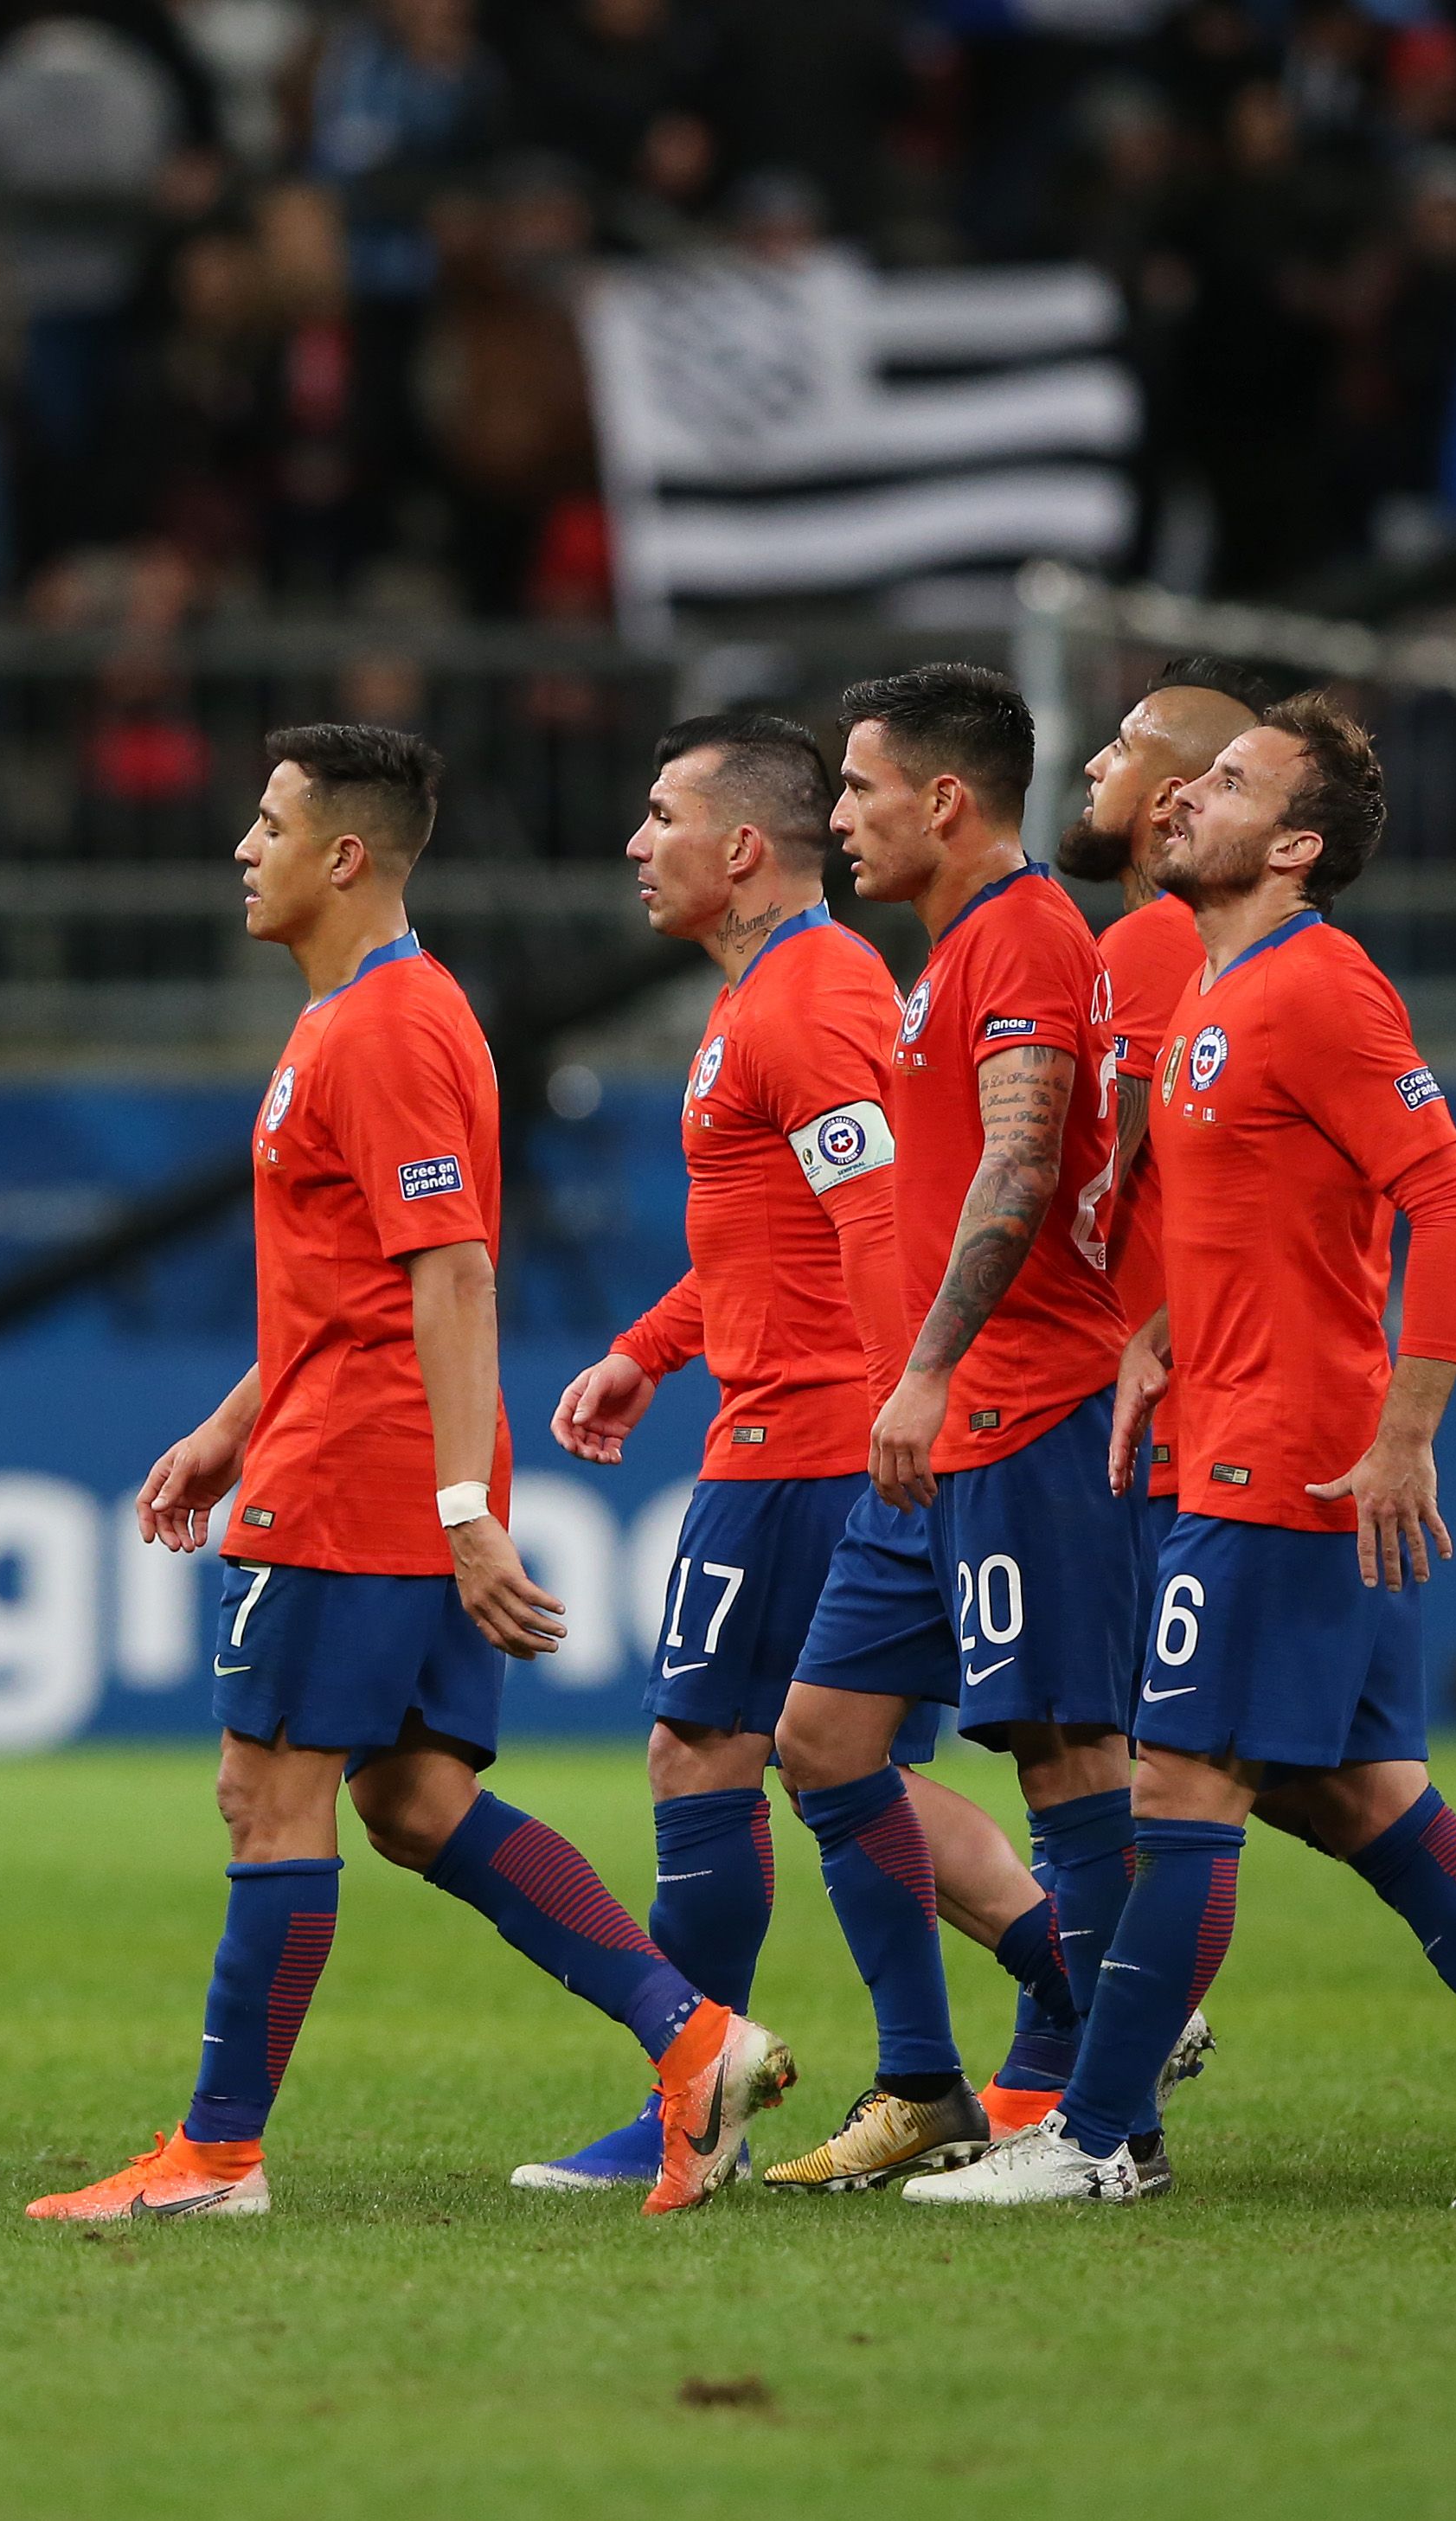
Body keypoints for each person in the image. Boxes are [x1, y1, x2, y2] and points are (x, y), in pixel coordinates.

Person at [29, 723, 796, 2223]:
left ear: (343, 855)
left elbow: (452, 1274)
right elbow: (356, 1281)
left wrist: (456, 1513)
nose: (242, 848)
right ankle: (692, 2033)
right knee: (417, 1796)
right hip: (348, 1441)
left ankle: (215, 2156)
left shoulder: (385, 1025)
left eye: (267, 824)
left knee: (267, 1794)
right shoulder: (363, 1017)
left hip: (363, 1474)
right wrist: (235, 1416)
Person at [952, 694, 1456, 2211]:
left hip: (1284, 1464)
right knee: (1364, 1797)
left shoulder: (1321, 989)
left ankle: (1095, 2136)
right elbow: (1276, 1228)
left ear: (1295, 842)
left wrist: (1407, 1427)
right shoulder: (1220, 987)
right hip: (1234, 1426)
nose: (1184, 799)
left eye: (1225, 781)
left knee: (1185, 1788)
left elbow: (1450, 1203)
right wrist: (1163, 1334)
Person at [517, 709, 1010, 2193]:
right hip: (802, 1421)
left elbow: (876, 1227)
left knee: (708, 1749)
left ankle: (696, 2097)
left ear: (739, 847)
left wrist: (897, 1409)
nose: (634, 841)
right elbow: (773, 1233)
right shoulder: (776, 994)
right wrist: (646, 1349)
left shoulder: (806, 997)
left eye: (660, 812)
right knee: (837, 1762)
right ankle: (1067, 1999)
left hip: (806, 1440)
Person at [747, 664, 1158, 2197]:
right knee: (822, 1736)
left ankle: (1113, 2128)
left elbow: (1025, 1155)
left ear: (944, 798)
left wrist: (922, 1366)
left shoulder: (1030, 934)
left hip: (1021, 1406)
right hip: (944, 1427)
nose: (836, 818)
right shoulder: (953, 949)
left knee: (1064, 1753)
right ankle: (956, 2065)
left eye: (856, 789)